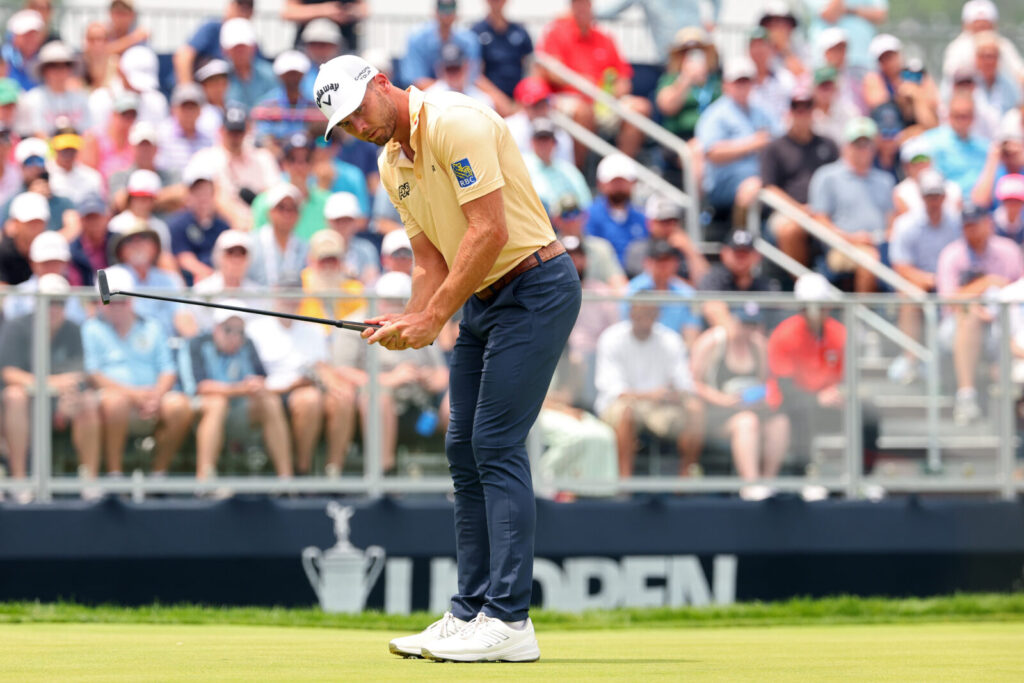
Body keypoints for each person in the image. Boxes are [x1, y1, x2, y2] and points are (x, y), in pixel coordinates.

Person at [314, 54, 580, 660]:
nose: (358, 126)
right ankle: (469, 612)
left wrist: (434, 317)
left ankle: (509, 621)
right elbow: (429, 261)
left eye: (358, 111)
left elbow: (488, 231)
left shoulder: (455, 121)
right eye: (345, 124)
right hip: (483, 297)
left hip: (536, 285)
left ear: (382, 83)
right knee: (462, 447)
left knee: (495, 443)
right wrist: (409, 319)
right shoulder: (390, 163)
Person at [82, 268, 193, 476]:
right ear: (100, 302)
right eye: (109, 301)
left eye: (121, 301)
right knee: (116, 402)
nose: (115, 307)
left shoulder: (152, 326)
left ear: (131, 301)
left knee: (179, 406)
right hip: (112, 399)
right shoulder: (91, 328)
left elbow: (168, 368)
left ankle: (158, 474)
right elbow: (93, 374)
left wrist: (155, 396)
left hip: (153, 397)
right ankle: (115, 474)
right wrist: (134, 395)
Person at [0, 274, 100, 497]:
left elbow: (77, 376)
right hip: (25, 401)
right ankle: (19, 481)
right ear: (37, 302)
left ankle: (90, 481)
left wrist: (61, 394)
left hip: (58, 399)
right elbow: (9, 373)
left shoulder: (73, 329)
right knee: (14, 397)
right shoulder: (17, 327)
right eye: (48, 301)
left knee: (88, 400)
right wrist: (50, 384)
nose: (54, 308)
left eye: (60, 302)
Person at [249, 284, 355, 477]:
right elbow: (254, 377)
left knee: (342, 399)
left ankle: (333, 471)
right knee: (309, 399)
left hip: (307, 387)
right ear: (275, 295)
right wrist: (291, 385)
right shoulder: (255, 329)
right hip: (272, 392)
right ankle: (302, 469)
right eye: (286, 293)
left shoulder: (314, 329)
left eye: (295, 294)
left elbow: (322, 366)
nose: (290, 299)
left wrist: (337, 386)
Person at [595, 296, 704, 478]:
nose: (645, 319)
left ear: (657, 314)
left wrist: (676, 395)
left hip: (661, 408)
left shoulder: (671, 340)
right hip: (621, 406)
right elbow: (614, 391)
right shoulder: (611, 338)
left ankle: (686, 479)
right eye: (640, 313)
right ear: (631, 313)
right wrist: (650, 395)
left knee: (695, 408)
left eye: (650, 313)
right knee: (626, 412)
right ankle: (623, 483)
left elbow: (685, 385)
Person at [180, 306, 293, 482]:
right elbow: (200, 387)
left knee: (270, 401)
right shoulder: (197, 343)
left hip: (239, 410)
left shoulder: (248, 344)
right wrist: (241, 388)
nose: (235, 336)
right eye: (228, 330)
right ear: (216, 328)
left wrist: (254, 386)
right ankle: (205, 479)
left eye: (240, 331)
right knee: (217, 404)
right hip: (200, 410)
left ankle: (286, 480)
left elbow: (261, 379)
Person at [935, 202, 1024, 425]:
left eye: (976, 224)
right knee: (970, 315)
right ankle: (966, 396)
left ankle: (1008, 407)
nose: (971, 229)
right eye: (967, 225)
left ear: (989, 224)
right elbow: (948, 301)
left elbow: (1019, 290)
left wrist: (993, 307)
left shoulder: (1008, 250)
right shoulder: (952, 254)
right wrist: (985, 283)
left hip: (1003, 321)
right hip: (955, 327)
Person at [690, 303, 789, 499]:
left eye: (752, 325)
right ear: (732, 320)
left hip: (753, 409)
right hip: (718, 414)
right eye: (744, 324)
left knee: (780, 423)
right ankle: (750, 484)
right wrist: (723, 399)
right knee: (746, 422)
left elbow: (767, 382)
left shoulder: (759, 346)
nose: (747, 330)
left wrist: (760, 397)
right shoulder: (711, 342)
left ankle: (769, 482)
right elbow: (692, 383)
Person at [537, 0, 652, 164]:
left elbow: (624, 80)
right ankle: (578, 173)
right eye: (577, 4)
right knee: (582, 112)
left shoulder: (605, 38)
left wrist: (612, 91)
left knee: (640, 108)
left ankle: (619, 169)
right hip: (568, 100)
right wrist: (582, 82)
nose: (582, 8)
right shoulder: (556, 33)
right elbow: (549, 72)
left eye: (586, 3)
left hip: (602, 102)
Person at [886, 169, 963, 384]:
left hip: (952, 285)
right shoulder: (906, 224)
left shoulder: (956, 222)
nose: (934, 201)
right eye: (929, 195)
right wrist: (930, 280)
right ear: (921, 197)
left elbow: (963, 257)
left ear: (944, 196)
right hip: (922, 284)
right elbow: (901, 266)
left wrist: (946, 282)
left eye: (937, 195)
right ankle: (910, 358)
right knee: (909, 295)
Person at [766, 273, 848, 473]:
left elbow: (846, 377)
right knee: (802, 410)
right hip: (791, 402)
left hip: (828, 401)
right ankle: (805, 474)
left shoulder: (840, 333)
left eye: (820, 306)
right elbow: (786, 389)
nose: (815, 313)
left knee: (867, 414)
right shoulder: (784, 334)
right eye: (809, 307)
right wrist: (817, 398)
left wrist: (838, 392)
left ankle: (861, 475)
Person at [807, 116, 894, 292]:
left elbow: (892, 221)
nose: (863, 149)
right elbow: (819, 221)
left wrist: (881, 237)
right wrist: (851, 238)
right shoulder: (827, 176)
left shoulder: (885, 180)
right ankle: (864, 310)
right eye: (857, 143)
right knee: (869, 259)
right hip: (840, 248)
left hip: (880, 245)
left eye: (867, 143)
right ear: (846, 146)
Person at [761, 88, 841, 267]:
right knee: (790, 230)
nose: (802, 114)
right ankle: (803, 280)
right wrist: (800, 209)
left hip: (827, 210)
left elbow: (839, 180)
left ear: (814, 112)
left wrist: (822, 210)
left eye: (807, 108)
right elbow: (769, 188)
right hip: (788, 210)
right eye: (797, 109)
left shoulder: (828, 144)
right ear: (790, 113)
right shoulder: (775, 148)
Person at [695, 56, 772, 225]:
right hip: (725, 183)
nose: (743, 86)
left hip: (763, 176)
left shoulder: (761, 112)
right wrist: (752, 144)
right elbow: (713, 153)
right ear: (725, 84)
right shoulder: (716, 114)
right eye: (738, 81)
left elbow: (778, 138)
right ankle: (741, 236)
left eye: (746, 81)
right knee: (752, 187)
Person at [655, 27, 720, 187]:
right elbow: (666, 106)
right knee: (697, 151)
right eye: (686, 52)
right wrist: (686, 80)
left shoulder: (717, 81)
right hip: (681, 139)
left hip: (715, 138)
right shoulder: (671, 79)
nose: (693, 55)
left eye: (699, 50)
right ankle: (698, 201)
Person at [106, 221, 194, 338]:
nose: (138, 244)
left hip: (168, 344)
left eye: (144, 238)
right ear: (120, 251)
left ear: (155, 247)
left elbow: (182, 315)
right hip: (127, 343)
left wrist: (193, 340)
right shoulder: (111, 276)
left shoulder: (169, 279)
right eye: (130, 240)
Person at [250, 134, 330, 242]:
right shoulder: (265, 202)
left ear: (313, 163)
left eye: (306, 159)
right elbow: (257, 242)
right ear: (284, 164)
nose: (299, 166)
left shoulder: (327, 202)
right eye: (292, 159)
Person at [624, 239, 703, 345]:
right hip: (637, 346)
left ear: (675, 263)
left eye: (667, 260)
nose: (663, 266)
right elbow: (624, 326)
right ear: (648, 262)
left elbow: (691, 333)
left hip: (675, 350)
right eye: (659, 260)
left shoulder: (687, 293)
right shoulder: (632, 290)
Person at [168, 164, 230, 285]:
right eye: (197, 192)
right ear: (189, 195)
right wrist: (210, 276)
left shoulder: (223, 226)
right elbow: (184, 258)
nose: (202, 197)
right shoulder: (178, 224)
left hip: (218, 283)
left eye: (206, 191)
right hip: (189, 286)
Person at [3, 230, 87, 321]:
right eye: (45, 263)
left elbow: (77, 324)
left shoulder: (74, 298)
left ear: (66, 264)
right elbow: (13, 327)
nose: (51, 268)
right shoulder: (17, 297)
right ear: (33, 263)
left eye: (56, 263)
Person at [698, 229, 772, 331]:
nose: (741, 259)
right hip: (725, 337)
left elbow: (770, 323)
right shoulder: (714, 279)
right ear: (724, 253)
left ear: (756, 256)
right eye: (736, 253)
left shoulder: (765, 286)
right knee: (718, 334)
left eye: (745, 253)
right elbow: (713, 309)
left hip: (755, 337)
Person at [15, 41, 92, 138]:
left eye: (65, 65)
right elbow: (35, 133)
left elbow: (88, 133)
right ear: (44, 70)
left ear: (70, 69)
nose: (59, 71)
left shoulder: (81, 98)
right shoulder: (32, 100)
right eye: (53, 66)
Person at [623, 194, 707, 284]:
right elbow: (649, 283)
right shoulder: (638, 249)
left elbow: (704, 282)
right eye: (664, 222)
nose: (670, 226)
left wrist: (690, 251)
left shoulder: (682, 249)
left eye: (673, 221)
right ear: (650, 223)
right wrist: (682, 286)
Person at [861, 34, 938, 132]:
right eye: (883, 58)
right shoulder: (875, 79)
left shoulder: (918, 75)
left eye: (891, 56)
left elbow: (933, 105)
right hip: (893, 131)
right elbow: (877, 103)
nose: (889, 62)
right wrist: (900, 96)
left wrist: (916, 96)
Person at [401, 0, 482, 91]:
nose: (447, 13)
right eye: (443, 8)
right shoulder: (417, 38)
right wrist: (447, 90)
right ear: (435, 12)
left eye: (450, 8)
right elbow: (415, 81)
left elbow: (474, 77)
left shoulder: (469, 40)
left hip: (461, 92)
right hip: (427, 94)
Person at [942, 0, 1024, 89]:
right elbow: (951, 78)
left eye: (985, 25)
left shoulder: (1003, 46)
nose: (981, 29)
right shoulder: (958, 48)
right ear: (966, 25)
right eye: (977, 25)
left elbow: (1020, 75)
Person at [919, 93, 989, 198]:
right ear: (949, 116)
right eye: (956, 116)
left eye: (965, 116)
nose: (960, 121)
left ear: (973, 117)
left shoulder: (984, 147)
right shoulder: (931, 141)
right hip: (943, 201)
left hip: (978, 203)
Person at [584, 153, 647, 266]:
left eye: (623, 181)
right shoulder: (588, 216)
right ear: (600, 183)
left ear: (633, 183)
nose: (618, 187)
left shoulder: (642, 217)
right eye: (614, 182)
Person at [551, 196, 626, 290]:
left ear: (584, 216)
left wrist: (600, 290)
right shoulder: (548, 253)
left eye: (576, 213)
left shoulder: (601, 248)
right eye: (566, 215)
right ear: (555, 220)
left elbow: (620, 286)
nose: (572, 219)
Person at [192, 229, 261, 332]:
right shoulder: (202, 291)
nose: (236, 260)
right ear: (218, 256)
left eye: (242, 254)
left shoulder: (258, 294)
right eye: (230, 253)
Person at [173, 0, 255, 84]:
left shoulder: (249, 38)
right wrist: (187, 86)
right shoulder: (211, 29)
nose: (242, 11)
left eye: (248, 7)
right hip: (200, 87)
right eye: (239, 5)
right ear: (230, 7)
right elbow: (183, 56)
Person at [298, 229, 365, 327]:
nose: (328, 265)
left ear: (341, 261)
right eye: (323, 259)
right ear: (311, 260)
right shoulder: (300, 285)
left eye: (333, 259)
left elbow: (361, 319)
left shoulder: (353, 288)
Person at [522, 118, 591, 213]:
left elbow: (585, 203)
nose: (543, 144)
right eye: (539, 140)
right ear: (531, 142)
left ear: (554, 143)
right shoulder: (522, 165)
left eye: (546, 140)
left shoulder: (568, 170)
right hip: (532, 216)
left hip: (566, 219)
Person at [247, 182, 309, 286]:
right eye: (281, 208)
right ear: (270, 211)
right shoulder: (250, 244)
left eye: (293, 208)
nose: (287, 214)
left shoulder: (304, 248)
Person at [252, 51, 320, 145]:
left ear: (303, 75)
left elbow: (320, 136)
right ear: (279, 76)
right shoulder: (267, 104)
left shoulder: (314, 103)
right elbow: (264, 136)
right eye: (288, 74)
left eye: (296, 74)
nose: (292, 78)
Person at [505, 76, 574, 167]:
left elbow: (567, 168)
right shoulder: (509, 129)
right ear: (522, 106)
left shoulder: (560, 134)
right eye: (534, 105)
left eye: (543, 103)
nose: (540, 109)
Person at [470, 0, 533, 101]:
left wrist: (525, 97)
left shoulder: (520, 31)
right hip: (488, 98)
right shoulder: (476, 32)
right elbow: (475, 75)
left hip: (520, 97)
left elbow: (530, 69)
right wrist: (501, 101)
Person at [805, 0, 889, 71]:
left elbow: (880, 15)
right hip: (826, 63)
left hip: (863, 59)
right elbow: (830, 14)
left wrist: (848, 10)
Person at [155, 83, 214, 179]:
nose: (189, 112)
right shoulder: (162, 135)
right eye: (184, 107)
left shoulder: (209, 138)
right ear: (174, 109)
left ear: (200, 111)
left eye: (192, 107)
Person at [894, 135, 962, 217]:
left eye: (924, 159)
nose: (921, 165)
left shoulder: (953, 189)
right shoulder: (901, 192)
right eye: (915, 161)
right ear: (906, 166)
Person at [220, 18, 277, 112]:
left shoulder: (271, 75)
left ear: (254, 47)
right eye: (235, 48)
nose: (240, 52)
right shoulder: (218, 79)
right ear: (225, 50)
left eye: (243, 47)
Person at [748, 27, 797, 137]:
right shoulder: (741, 81)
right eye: (754, 46)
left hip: (782, 137)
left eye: (762, 45)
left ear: (772, 49)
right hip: (751, 138)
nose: (758, 50)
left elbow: (794, 109)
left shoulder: (786, 78)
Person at [324, 191, 378, 283]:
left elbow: (371, 282)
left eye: (347, 220)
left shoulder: (366, 249)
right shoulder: (316, 248)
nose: (342, 225)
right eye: (337, 220)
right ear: (328, 221)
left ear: (355, 222)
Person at [424, 42, 495, 111]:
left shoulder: (481, 100)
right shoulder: (429, 99)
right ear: (441, 70)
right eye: (449, 69)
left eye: (456, 68)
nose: (453, 74)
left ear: (466, 67)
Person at [281, 0, 366, 56]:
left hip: (344, 48)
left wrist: (348, 13)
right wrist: (324, 11)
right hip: (307, 52)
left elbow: (363, 10)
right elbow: (288, 12)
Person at [0, 191, 49, 285]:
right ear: (15, 222)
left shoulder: (53, 249)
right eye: (29, 222)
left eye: (38, 222)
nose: (35, 227)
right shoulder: (3, 252)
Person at [46, 130, 105, 206]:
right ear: (54, 148)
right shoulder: (44, 173)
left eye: (72, 150)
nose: (68, 154)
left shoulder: (92, 176)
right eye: (64, 150)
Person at [69, 194, 112, 287]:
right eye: (89, 218)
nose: (94, 222)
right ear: (81, 220)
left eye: (98, 217)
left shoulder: (119, 243)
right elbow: (76, 285)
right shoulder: (73, 250)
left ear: (107, 217)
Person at [2, 10, 46, 91]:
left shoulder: (46, 61)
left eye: (34, 35)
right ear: (14, 37)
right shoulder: (3, 59)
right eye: (26, 35)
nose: (31, 39)